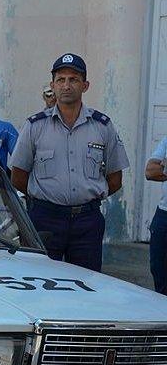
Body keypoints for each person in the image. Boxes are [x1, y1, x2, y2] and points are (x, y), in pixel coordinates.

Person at [10, 53, 130, 271]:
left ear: (85, 85)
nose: (67, 85)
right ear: (52, 85)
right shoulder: (35, 126)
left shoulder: (102, 126)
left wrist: (86, 198)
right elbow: (18, 176)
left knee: (87, 285)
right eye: (61, 79)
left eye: (73, 79)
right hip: (45, 220)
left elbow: (115, 178)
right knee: (41, 282)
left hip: (87, 222)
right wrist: (45, 200)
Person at [146, 137, 167, 295]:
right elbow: (150, 171)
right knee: (160, 273)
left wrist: (164, 166)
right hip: (164, 216)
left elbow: (158, 169)